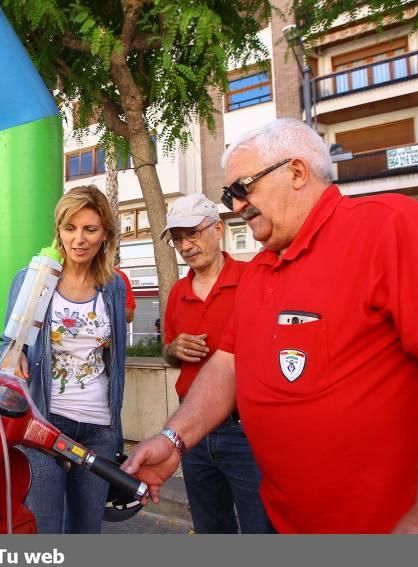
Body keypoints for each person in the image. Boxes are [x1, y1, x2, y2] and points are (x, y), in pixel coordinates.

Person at [123, 118, 418, 534]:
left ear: (297, 172)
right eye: (228, 195)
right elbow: (227, 366)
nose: (235, 206)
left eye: (241, 189)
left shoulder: (391, 227)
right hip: (284, 523)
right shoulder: (260, 272)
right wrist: (174, 438)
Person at [0, 185, 127, 533]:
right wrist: (12, 356)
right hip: (44, 424)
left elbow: (116, 363)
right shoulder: (33, 280)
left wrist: (115, 430)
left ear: (105, 235)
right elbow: (8, 346)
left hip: (98, 430)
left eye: (90, 229)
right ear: (59, 231)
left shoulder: (113, 287)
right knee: (45, 530)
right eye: (70, 228)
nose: (79, 239)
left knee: (86, 533)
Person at [160, 194, 269, 533]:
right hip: (193, 432)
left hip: (247, 430)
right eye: (178, 238)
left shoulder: (255, 278)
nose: (185, 245)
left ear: (219, 228)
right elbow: (167, 354)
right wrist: (173, 348)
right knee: (210, 529)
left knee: (262, 528)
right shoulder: (178, 292)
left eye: (192, 233)